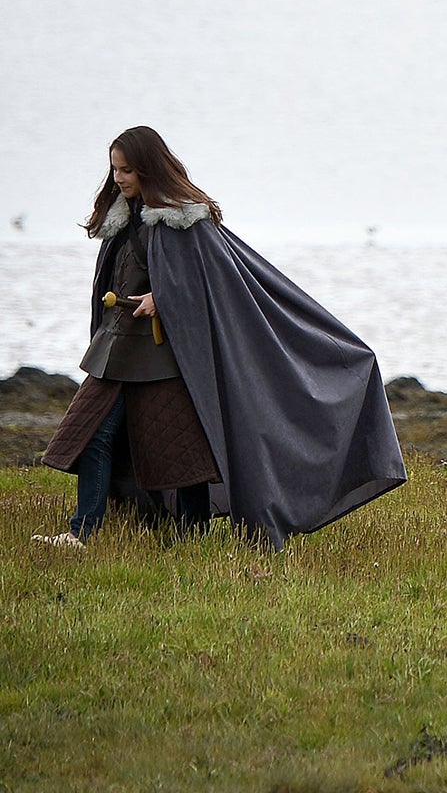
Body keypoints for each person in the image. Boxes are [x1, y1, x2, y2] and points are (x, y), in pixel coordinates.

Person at [35, 127, 405, 549]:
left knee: (181, 454)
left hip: (167, 356)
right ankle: (82, 531)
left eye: (128, 170)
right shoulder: (123, 218)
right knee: (91, 436)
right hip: (116, 350)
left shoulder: (183, 219)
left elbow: (214, 283)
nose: (119, 178)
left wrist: (164, 298)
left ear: (149, 168)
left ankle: (190, 536)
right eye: (115, 169)